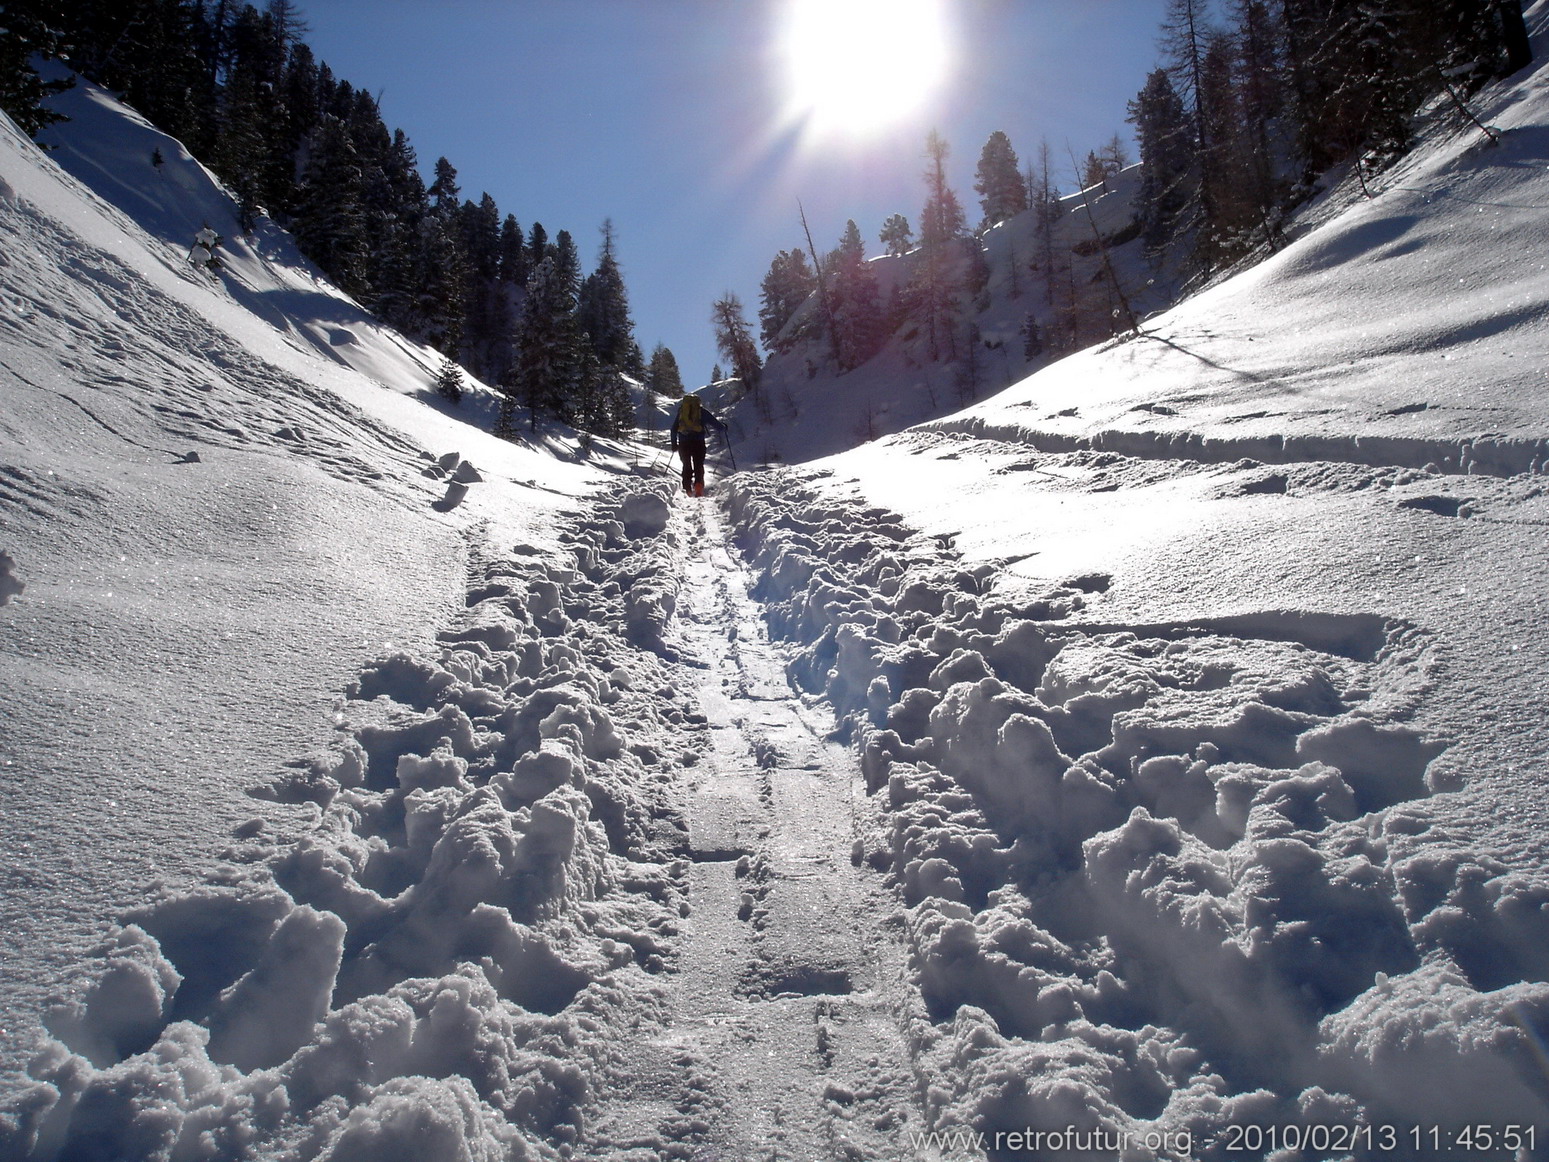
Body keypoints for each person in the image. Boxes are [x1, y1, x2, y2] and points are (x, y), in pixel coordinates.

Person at [669, 392, 726, 497]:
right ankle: (698, 486)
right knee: (698, 464)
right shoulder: (702, 412)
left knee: (686, 464)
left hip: (683, 443)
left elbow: (673, 429)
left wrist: (674, 443)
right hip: (698, 442)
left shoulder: (682, 413)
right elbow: (716, 425)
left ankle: (687, 489)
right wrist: (724, 427)